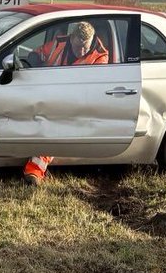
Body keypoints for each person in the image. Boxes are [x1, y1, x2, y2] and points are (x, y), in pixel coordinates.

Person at [23, 20, 110, 185]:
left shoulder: (100, 56)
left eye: (85, 47)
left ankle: (34, 170)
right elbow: (37, 53)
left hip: (77, 102)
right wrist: (34, 65)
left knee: (53, 128)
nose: (81, 51)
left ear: (92, 41)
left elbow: (94, 88)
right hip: (50, 94)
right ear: (71, 39)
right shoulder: (59, 42)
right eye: (78, 47)